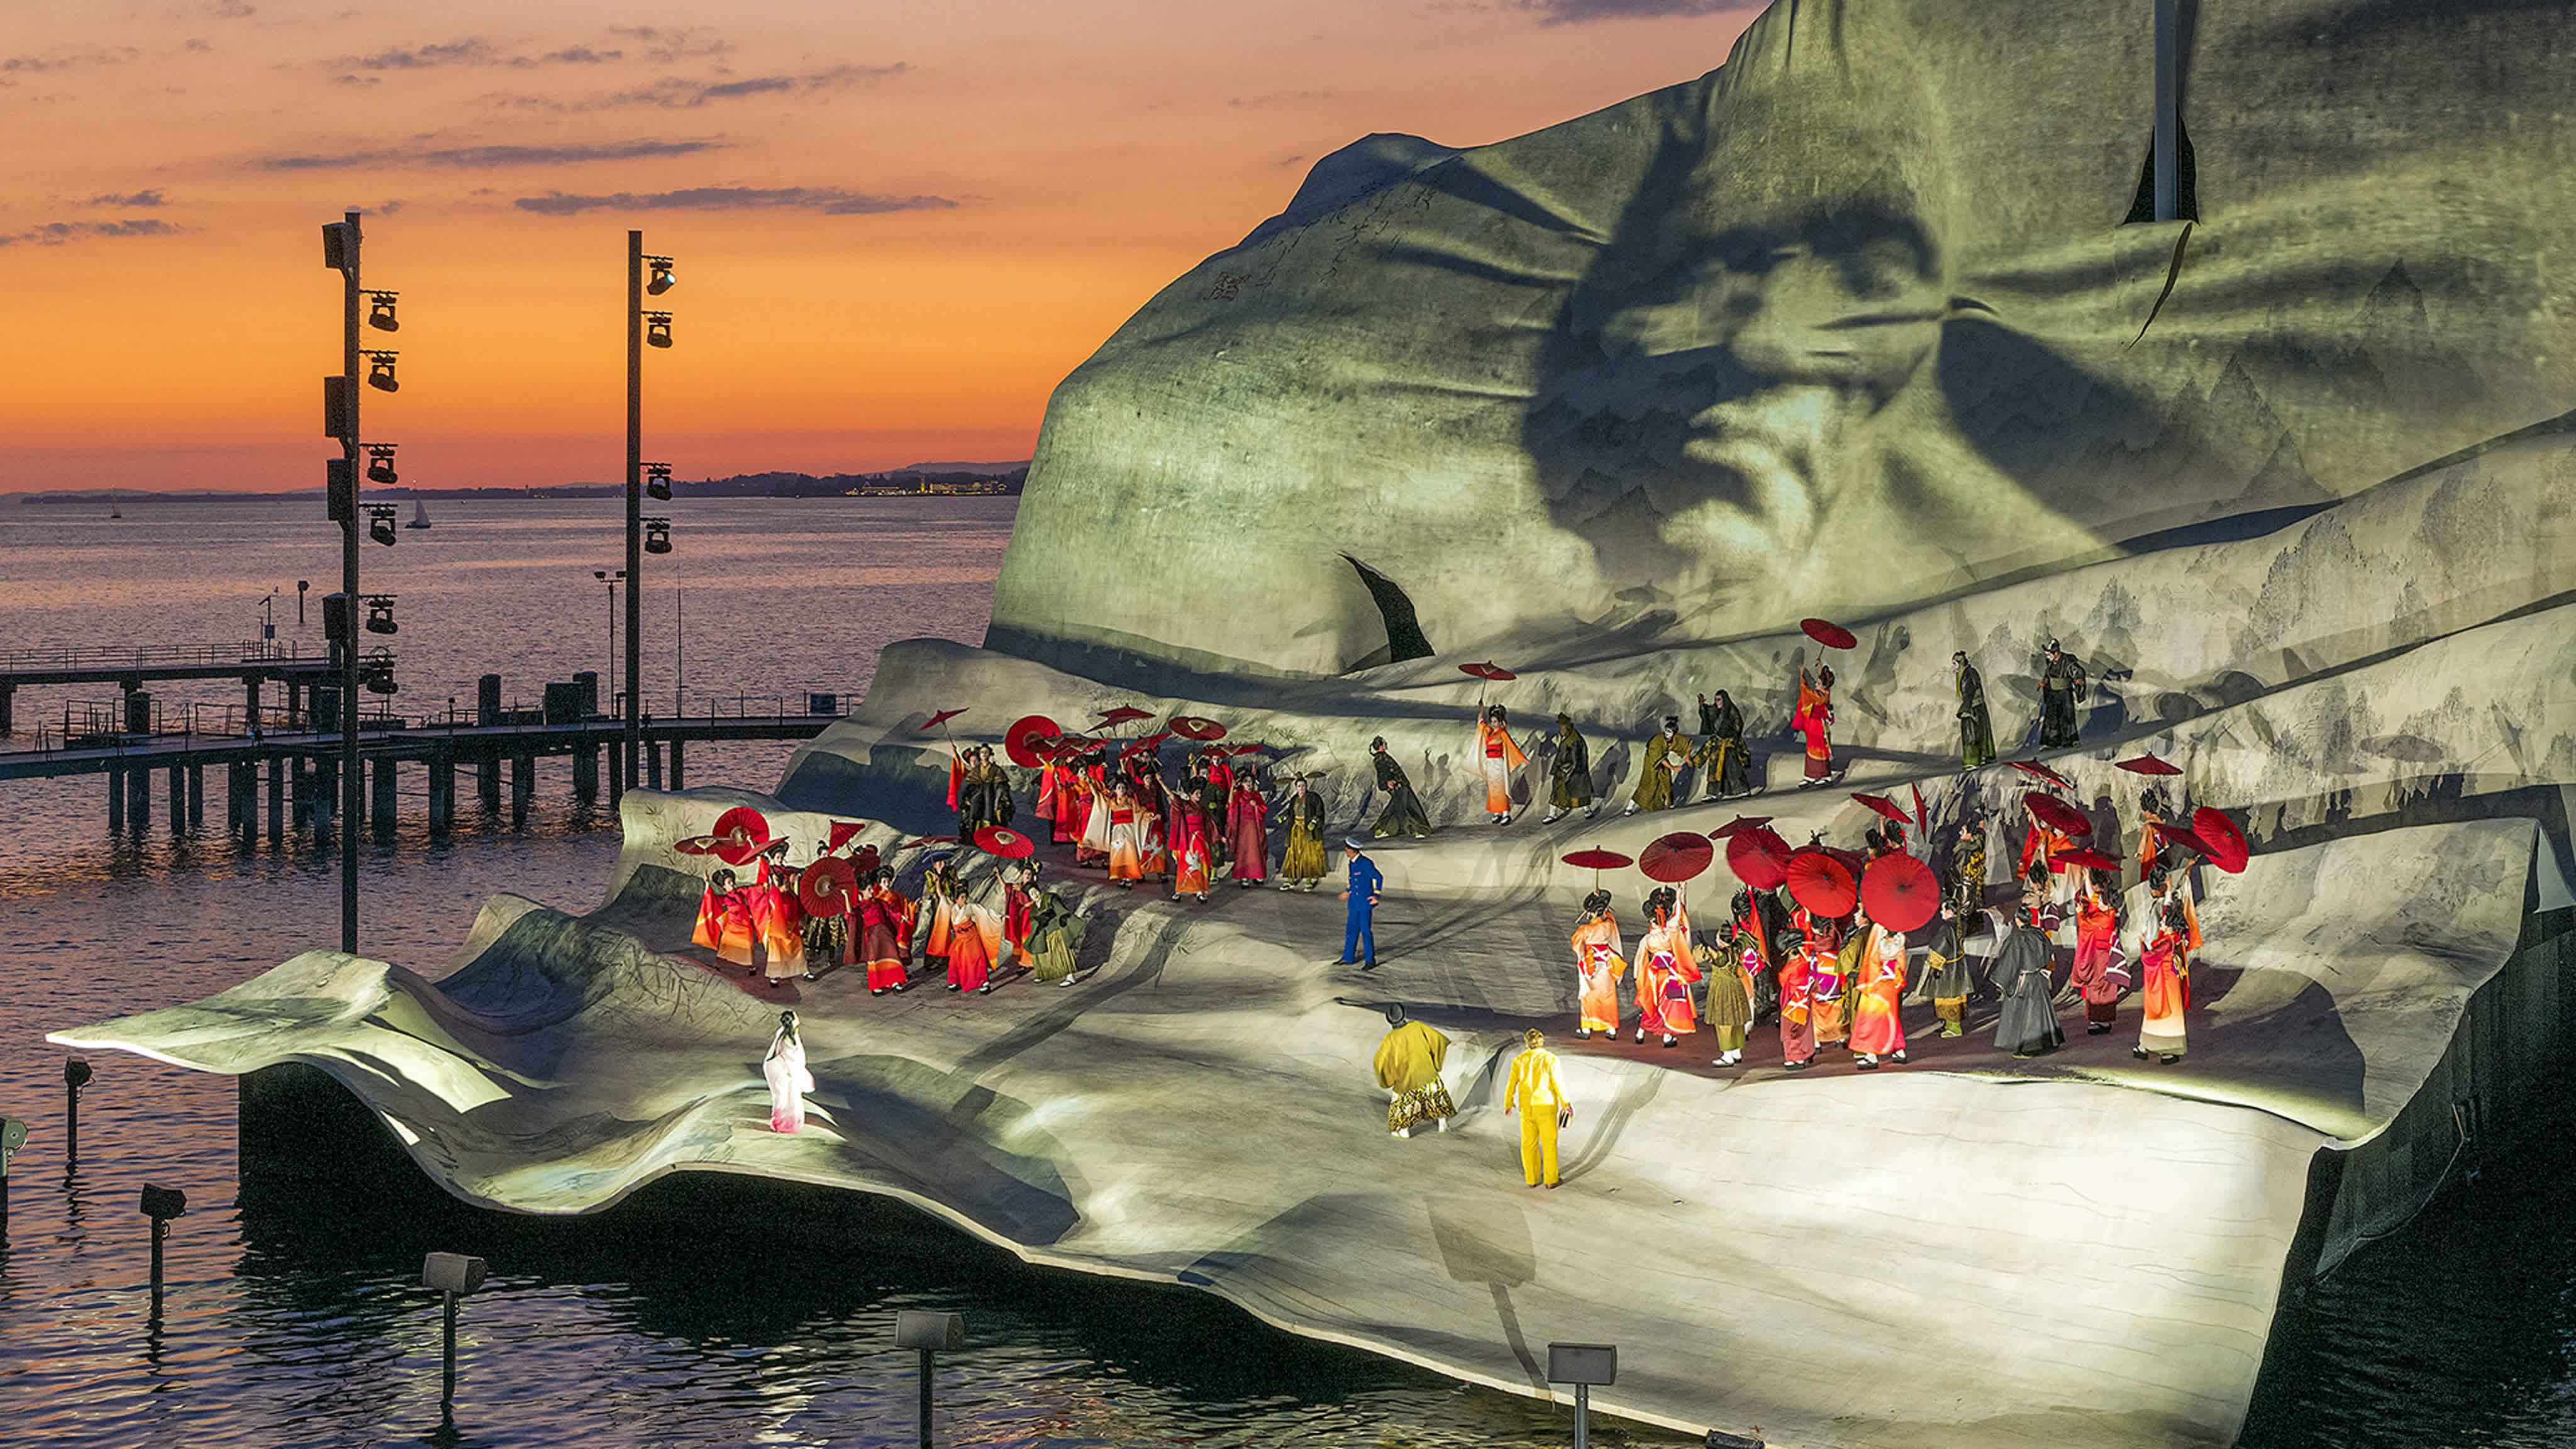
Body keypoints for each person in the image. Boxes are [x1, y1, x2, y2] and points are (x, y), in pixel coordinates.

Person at [1992, 863, 2065, 1057]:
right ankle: (2050, 1039)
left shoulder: (2029, 900)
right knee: (2043, 1004)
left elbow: (2012, 909)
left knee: (2028, 1010)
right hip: (2040, 951)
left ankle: (2031, 1045)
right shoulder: (2048, 898)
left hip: (2026, 959)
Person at [2134, 865, 2192, 1063]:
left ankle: (2156, 1047)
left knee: (2159, 1013)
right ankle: (2164, 1048)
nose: (2161, 923)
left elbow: (2148, 958)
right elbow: (2170, 910)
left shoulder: (2165, 941)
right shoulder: (2172, 937)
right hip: (2170, 977)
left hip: (2162, 978)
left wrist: (2142, 946)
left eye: (2163, 922)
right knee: (2170, 1012)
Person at [1373, 1003, 1455, 1138]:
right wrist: (1447, 1042)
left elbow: (1380, 1060)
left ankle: (1403, 1129)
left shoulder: (1391, 1039)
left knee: (1401, 1101)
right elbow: (1436, 1039)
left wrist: (1387, 1077)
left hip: (1407, 1080)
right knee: (1436, 1097)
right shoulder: (1417, 1026)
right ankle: (1442, 1123)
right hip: (1427, 1074)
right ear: (1404, 1015)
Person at [1633, 886, 1701, 1046]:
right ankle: (1667, 1036)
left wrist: (1638, 978)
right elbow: (1677, 918)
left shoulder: (1647, 939)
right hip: (1672, 975)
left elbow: (1639, 961)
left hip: (1654, 976)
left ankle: (1641, 1032)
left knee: (1652, 1004)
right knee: (1669, 1005)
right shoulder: (1670, 932)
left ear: (1650, 920)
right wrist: (1679, 897)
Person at [1503, 1027, 1570, 1189]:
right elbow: (1558, 1083)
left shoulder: (1519, 1061)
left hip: (1527, 1109)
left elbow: (1511, 1084)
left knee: (1528, 1145)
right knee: (1549, 1145)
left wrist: (1508, 1103)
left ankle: (1531, 1179)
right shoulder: (1550, 1059)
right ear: (1542, 1042)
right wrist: (1566, 1104)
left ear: (1527, 1043)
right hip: (1546, 1108)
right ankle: (1550, 1179)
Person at [2068, 874, 2128, 1035]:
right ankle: (2104, 1020)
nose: (2097, 901)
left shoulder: (2105, 917)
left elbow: (2085, 925)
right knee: (2105, 988)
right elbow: (2092, 896)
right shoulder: (2107, 912)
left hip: (2099, 957)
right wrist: (2087, 875)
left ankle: (2099, 1021)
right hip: (2102, 954)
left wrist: (2080, 913)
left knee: (2097, 988)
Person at [1848, 918, 1909, 1068]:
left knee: (1871, 1019)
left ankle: (1871, 1055)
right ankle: (1899, 1051)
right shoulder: (1900, 933)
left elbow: (1872, 956)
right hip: (1892, 980)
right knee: (1891, 1016)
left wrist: (1868, 980)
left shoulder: (1878, 927)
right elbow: (1901, 959)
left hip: (1877, 980)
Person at [1697, 913, 1757, 1067]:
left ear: (1721, 940)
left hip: (1723, 990)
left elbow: (1699, 956)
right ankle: (1737, 1052)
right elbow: (1743, 936)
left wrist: (1705, 947)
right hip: (1737, 988)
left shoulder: (1721, 956)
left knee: (1724, 1022)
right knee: (1737, 1021)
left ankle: (1727, 1055)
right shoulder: (1737, 948)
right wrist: (1738, 921)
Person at [1570, 889, 1626, 1039]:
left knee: (1589, 996)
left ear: (1590, 913)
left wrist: (1583, 953)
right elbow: (1611, 922)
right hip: (1606, 966)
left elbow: (1576, 944)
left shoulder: (1585, 929)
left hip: (1591, 966)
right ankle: (1611, 1030)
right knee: (1608, 996)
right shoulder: (1609, 926)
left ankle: (1587, 1030)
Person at [1915, 902, 1973, 1038]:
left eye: (1943, 909)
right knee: (1956, 995)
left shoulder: (1946, 928)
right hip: (1958, 965)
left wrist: (1935, 966)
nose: (1941, 912)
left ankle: (1954, 1028)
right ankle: (1949, 1025)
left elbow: (1940, 947)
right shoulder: (1960, 924)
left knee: (1948, 997)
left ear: (1949, 911)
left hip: (1947, 968)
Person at [1799, 906, 1850, 1050]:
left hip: (1818, 967)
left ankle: (1817, 1039)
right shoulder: (1833, 933)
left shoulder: (1813, 939)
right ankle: (1840, 1036)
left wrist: (1808, 915)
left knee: (1816, 1006)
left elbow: (1806, 938)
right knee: (1837, 1004)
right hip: (1834, 964)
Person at [858, 867, 913, 995]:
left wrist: (901, 917)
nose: (872, 891)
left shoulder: (879, 902)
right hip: (872, 936)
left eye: (871, 889)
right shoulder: (861, 907)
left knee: (892, 955)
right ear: (862, 894)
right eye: (869, 890)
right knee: (875, 960)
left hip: (885, 933)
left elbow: (890, 912)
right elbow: (851, 916)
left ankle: (895, 981)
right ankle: (876, 986)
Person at [1474, 704, 1530, 824]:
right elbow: (1480, 723)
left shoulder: (1502, 733)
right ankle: (1497, 812)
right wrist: (1481, 710)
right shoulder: (1489, 732)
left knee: (1501, 788)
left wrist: (1522, 758)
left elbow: (1512, 746)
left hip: (1498, 763)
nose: (1493, 724)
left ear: (1500, 722)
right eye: (1492, 721)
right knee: (1493, 789)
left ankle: (1505, 813)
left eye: (1495, 722)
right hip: (1490, 763)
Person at [1368, 737, 1433, 839]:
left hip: (1400, 785)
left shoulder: (1382, 757)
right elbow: (1381, 773)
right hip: (1398, 786)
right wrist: (1387, 783)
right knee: (1409, 807)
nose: (1386, 743)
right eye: (1385, 742)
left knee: (1396, 807)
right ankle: (1417, 830)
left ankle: (1383, 830)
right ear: (1381, 745)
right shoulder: (1380, 758)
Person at [1023, 885, 1087, 986]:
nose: (1034, 894)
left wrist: (1062, 916)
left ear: (1039, 890)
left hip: (1056, 929)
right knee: (1041, 952)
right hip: (1045, 932)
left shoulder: (1049, 898)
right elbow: (1033, 920)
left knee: (1062, 952)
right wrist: (1039, 923)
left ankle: (1070, 977)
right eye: (1031, 894)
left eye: (1035, 891)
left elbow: (1059, 908)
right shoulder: (1034, 908)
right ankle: (1045, 974)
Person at [763, 1009, 814, 1134]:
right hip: (784, 1070)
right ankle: (786, 1125)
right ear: (794, 1021)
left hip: (778, 1068)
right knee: (789, 1098)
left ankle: (780, 1124)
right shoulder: (791, 1038)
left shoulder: (782, 1033)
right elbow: (795, 1058)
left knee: (781, 1098)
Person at [694, 867, 757, 969]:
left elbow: (752, 890)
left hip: (745, 923)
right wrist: (707, 883)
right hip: (732, 925)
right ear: (724, 887)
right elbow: (710, 898)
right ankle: (719, 964)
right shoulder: (725, 898)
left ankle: (751, 966)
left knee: (747, 944)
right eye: (728, 882)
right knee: (725, 944)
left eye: (731, 881)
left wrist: (763, 886)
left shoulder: (740, 891)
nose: (732, 884)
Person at [1697, 689, 1754, 799]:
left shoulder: (1731, 710)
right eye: (1716, 699)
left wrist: (1734, 735)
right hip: (1717, 745)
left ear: (1724, 700)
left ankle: (1742, 790)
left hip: (1729, 744)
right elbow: (1706, 714)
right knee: (1714, 770)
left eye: (1719, 700)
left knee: (1733, 768)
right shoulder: (1714, 710)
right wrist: (1702, 705)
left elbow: (1738, 723)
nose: (1717, 702)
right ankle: (1713, 793)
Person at [1624, 716, 1687, 814]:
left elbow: (1685, 744)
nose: (1667, 733)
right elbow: (1658, 758)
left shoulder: (1673, 739)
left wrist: (1687, 756)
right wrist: (1673, 767)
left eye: (1670, 732)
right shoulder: (1657, 741)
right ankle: (1630, 806)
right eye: (1666, 731)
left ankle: (1669, 803)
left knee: (1666, 781)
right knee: (1647, 785)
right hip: (1652, 764)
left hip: (1662, 763)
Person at [1277, 774, 1329, 890]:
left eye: (1303, 786)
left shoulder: (1314, 797)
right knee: (1293, 854)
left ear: (1307, 786)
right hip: (1296, 830)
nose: (1301, 789)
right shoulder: (1294, 799)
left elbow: (1320, 812)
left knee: (1308, 855)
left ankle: (1309, 881)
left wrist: (1314, 822)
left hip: (1308, 831)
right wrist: (1285, 817)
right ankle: (1290, 880)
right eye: (1299, 786)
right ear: (1296, 788)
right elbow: (1291, 813)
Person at [1777, 924, 1818, 1069]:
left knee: (1790, 1030)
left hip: (1792, 999)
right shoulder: (1806, 961)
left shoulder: (1791, 967)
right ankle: (1802, 1056)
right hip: (1804, 998)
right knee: (1803, 1028)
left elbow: (1783, 979)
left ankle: (1793, 1058)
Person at [1541, 713, 1595, 823]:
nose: (1561, 731)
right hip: (1569, 771)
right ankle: (1585, 810)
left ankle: (1554, 814)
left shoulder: (1573, 741)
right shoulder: (1570, 738)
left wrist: (1566, 772)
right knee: (1575, 792)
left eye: (1563, 728)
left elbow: (1575, 760)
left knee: (1562, 791)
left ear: (1568, 728)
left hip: (1569, 772)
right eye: (1560, 728)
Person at [1339, 836, 1383, 967]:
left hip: (1364, 902)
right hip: (1354, 903)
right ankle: (1348, 957)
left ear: (1352, 851)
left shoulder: (1365, 863)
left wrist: (1376, 895)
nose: (1346, 851)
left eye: (1347, 849)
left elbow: (1379, 877)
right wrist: (1348, 891)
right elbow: (1353, 880)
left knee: (1365, 931)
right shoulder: (1352, 863)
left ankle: (1370, 960)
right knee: (1351, 930)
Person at [2037, 638, 2088, 749]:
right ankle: (2053, 742)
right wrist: (2044, 683)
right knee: (2052, 717)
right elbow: (2048, 675)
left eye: (2049, 653)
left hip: (2065, 693)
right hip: (2053, 692)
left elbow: (2078, 671)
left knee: (2068, 716)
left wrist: (2079, 679)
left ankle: (2071, 740)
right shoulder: (2050, 662)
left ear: (2056, 653)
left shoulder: (2067, 662)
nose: (2047, 656)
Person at [1794, 664, 1837, 786]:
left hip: (1816, 726)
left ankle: (1812, 775)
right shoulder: (1826, 692)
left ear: (1823, 686)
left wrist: (1802, 675)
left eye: (1818, 683)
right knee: (1821, 750)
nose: (1816, 685)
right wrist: (1820, 667)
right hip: (1819, 726)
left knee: (1815, 750)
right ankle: (1825, 775)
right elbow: (1823, 682)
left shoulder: (1818, 696)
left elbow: (1805, 690)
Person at [1226, 770, 1270, 887]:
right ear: (1241, 784)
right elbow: (1231, 804)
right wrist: (1232, 788)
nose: (1249, 784)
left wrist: (1257, 805)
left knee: (1256, 851)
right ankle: (1244, 876)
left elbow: (1264, 809)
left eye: (1250, 782)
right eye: (1246, 782)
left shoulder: (1257, 795)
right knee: (1244, 852)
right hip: (1243, 827)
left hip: (1255, 827)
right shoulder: (1238, 794)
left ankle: (1257, 875)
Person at [1955, 651, 1996, 770]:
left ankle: (1975, 759)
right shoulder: (1963, 674)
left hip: (1975, 709)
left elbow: (1970, 693)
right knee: (1978, 732)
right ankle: (1982, 756)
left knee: (1972, 734)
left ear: (1961, 663)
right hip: (1974, 707)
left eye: (1955, 664)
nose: (1954, 667)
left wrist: (1965, 709)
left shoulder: (1969, 674)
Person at [1105, 779, 1146, 887]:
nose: (1121, 790)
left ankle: (1129, 876)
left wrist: (1148, 815)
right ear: (1115, 790)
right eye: (1119, 788)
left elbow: (1139, 811)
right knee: (1119, 853)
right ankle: (1121, 876)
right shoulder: (1112, 802)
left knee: (1129, 852)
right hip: (1117, 831)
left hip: (1129, 829)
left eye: (1123, 788)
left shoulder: (1131, 801)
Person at [1171, 797, 1213, 901]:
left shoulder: (1202, 808)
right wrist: (1162, 783)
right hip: (1187, 838)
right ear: (1190, 794)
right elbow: (1174, 799)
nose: (1199, 795)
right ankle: (1179, 890)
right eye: (1197, 793)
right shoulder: (1184, 805)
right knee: (1184, 865)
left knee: (1199, 865)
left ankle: (1199, 890)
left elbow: (1208, 823)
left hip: (1200, 839)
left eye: (1200, 793)